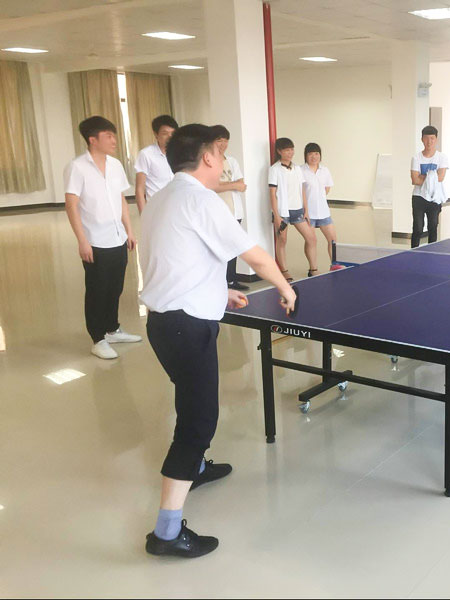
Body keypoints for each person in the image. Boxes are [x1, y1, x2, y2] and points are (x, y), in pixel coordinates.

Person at [139, 124, 296, 559]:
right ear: (207, 157)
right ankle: (166, 533)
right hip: (187, 327)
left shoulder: (162, 198)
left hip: (165, 323)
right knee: (198, 422)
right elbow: (256, 257)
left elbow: (171, 258)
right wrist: (286, 288)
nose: (224, 161)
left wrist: (218, 290)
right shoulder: (202, 199)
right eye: (220, 153)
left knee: (190, 400)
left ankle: (196, 467)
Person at [64, 116, 141, 360]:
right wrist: (82, 240)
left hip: (117, 236)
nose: (114, 140)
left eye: (114, 135)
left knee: (115, 287)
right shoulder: (77, 167)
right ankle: (97, 339)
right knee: (97, 290)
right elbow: (71, 205)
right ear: (92, 139)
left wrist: (129, 230)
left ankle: (112, 329)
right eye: (108, 136)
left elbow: (121, 199)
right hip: (95, 240)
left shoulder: (116, 165)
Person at [268, 138, 318, 280]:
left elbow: (302, 190)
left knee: (311, 238)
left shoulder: (297, 168)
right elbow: (272, 194)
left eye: (291, 149)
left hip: (298, 210)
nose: (290, 153)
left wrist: (306, 210)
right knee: (282, 240)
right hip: (282, 212)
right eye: (287, 150)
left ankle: (313, 269)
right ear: (279, 151)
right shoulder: (274, 169)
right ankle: (284, 271)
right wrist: (276, 216)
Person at [209, 124, 249, 291]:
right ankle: (219, 282)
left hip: (235, 211)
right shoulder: (208, 161)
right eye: (219, 140)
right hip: (219, 212)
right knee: (219, 248)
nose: (223, 144)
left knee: (233, 246)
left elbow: (242, 185)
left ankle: (231, 280)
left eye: (226, 141)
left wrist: (226, 185)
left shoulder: (232, 161)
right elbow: (212, 186)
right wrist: (232, 185)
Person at [410, 125, 448, 248]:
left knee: (433, 227)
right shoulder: (416, 158)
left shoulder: (442, 157)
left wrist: (423, 176)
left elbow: (440, 178)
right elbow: (414, 179)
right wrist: (432, 176)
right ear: (422, 139)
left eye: (432, 138)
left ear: (436, 139)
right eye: (426, 138)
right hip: (418, 197)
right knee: (417, 228)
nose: (429, 141)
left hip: (434, 198)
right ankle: (413, 252)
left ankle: (432, 252)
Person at [300, 142, 336, 266]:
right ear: (305, 155)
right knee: (311, 241)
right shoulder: (300, 170)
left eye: (316, 153)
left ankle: (334, 265)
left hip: (324, 212)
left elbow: (327, 188)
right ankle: (313, 268)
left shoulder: (324, 170)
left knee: (333, 240)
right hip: (307, 213)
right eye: (310, 154)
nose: (314, 156)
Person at [134, 114, 178, 214]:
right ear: (156, 134)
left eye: (173, 133)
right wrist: (144, 216)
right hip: (156, 210)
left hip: (177, 207)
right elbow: (139, 189)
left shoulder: (179, 154)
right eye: (165, 133)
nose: (170, 137)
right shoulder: (146, 154)